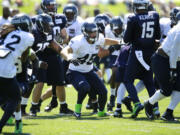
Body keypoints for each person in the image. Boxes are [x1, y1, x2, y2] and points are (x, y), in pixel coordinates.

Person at [61, 22, 121, 118]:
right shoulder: (78, 41)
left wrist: (118, 42)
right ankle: (77, 110)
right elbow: (64, 51)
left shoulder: (99, 38)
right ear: (85, 33)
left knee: (103, 92)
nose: (93, 34)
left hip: (89, 71)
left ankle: (101, 112)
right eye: (90, 32)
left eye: (95, 32)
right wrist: (68, 58)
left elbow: (105, 41)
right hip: (75, 71)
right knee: (85, 87)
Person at [30, 0, 73, 116]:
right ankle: (33, 107)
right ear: (44, 7)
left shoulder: (60, 19)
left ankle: (63, 107)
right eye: (49, 5)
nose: (51, 7)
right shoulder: (35, 21)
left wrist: (63, 44)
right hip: (40, 54)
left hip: (54, 53)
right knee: (40, 81)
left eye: (53, 5)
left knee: (60, 82)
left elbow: (63, 38)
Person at [123, 0, 161, 118]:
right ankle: (155, 108)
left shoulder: (132, 18)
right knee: (149, 81)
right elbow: (158, 36)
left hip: (137, 53)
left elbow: (126, 39)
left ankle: (136, 103)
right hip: (150, 53)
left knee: (128, 80)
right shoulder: (154, 15)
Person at [0, 13, 34, 134]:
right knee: (15, 99)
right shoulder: (28, 36)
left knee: (6, 98)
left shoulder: (6, 35)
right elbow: (25, 56)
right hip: (6, 71)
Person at [144, 12, 180, 121]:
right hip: (162, 59)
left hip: (173, 59)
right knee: (166, 90)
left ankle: (168, 112)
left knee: (179, 86)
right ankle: (149, 103)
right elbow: (174, 50)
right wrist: (173, 69)